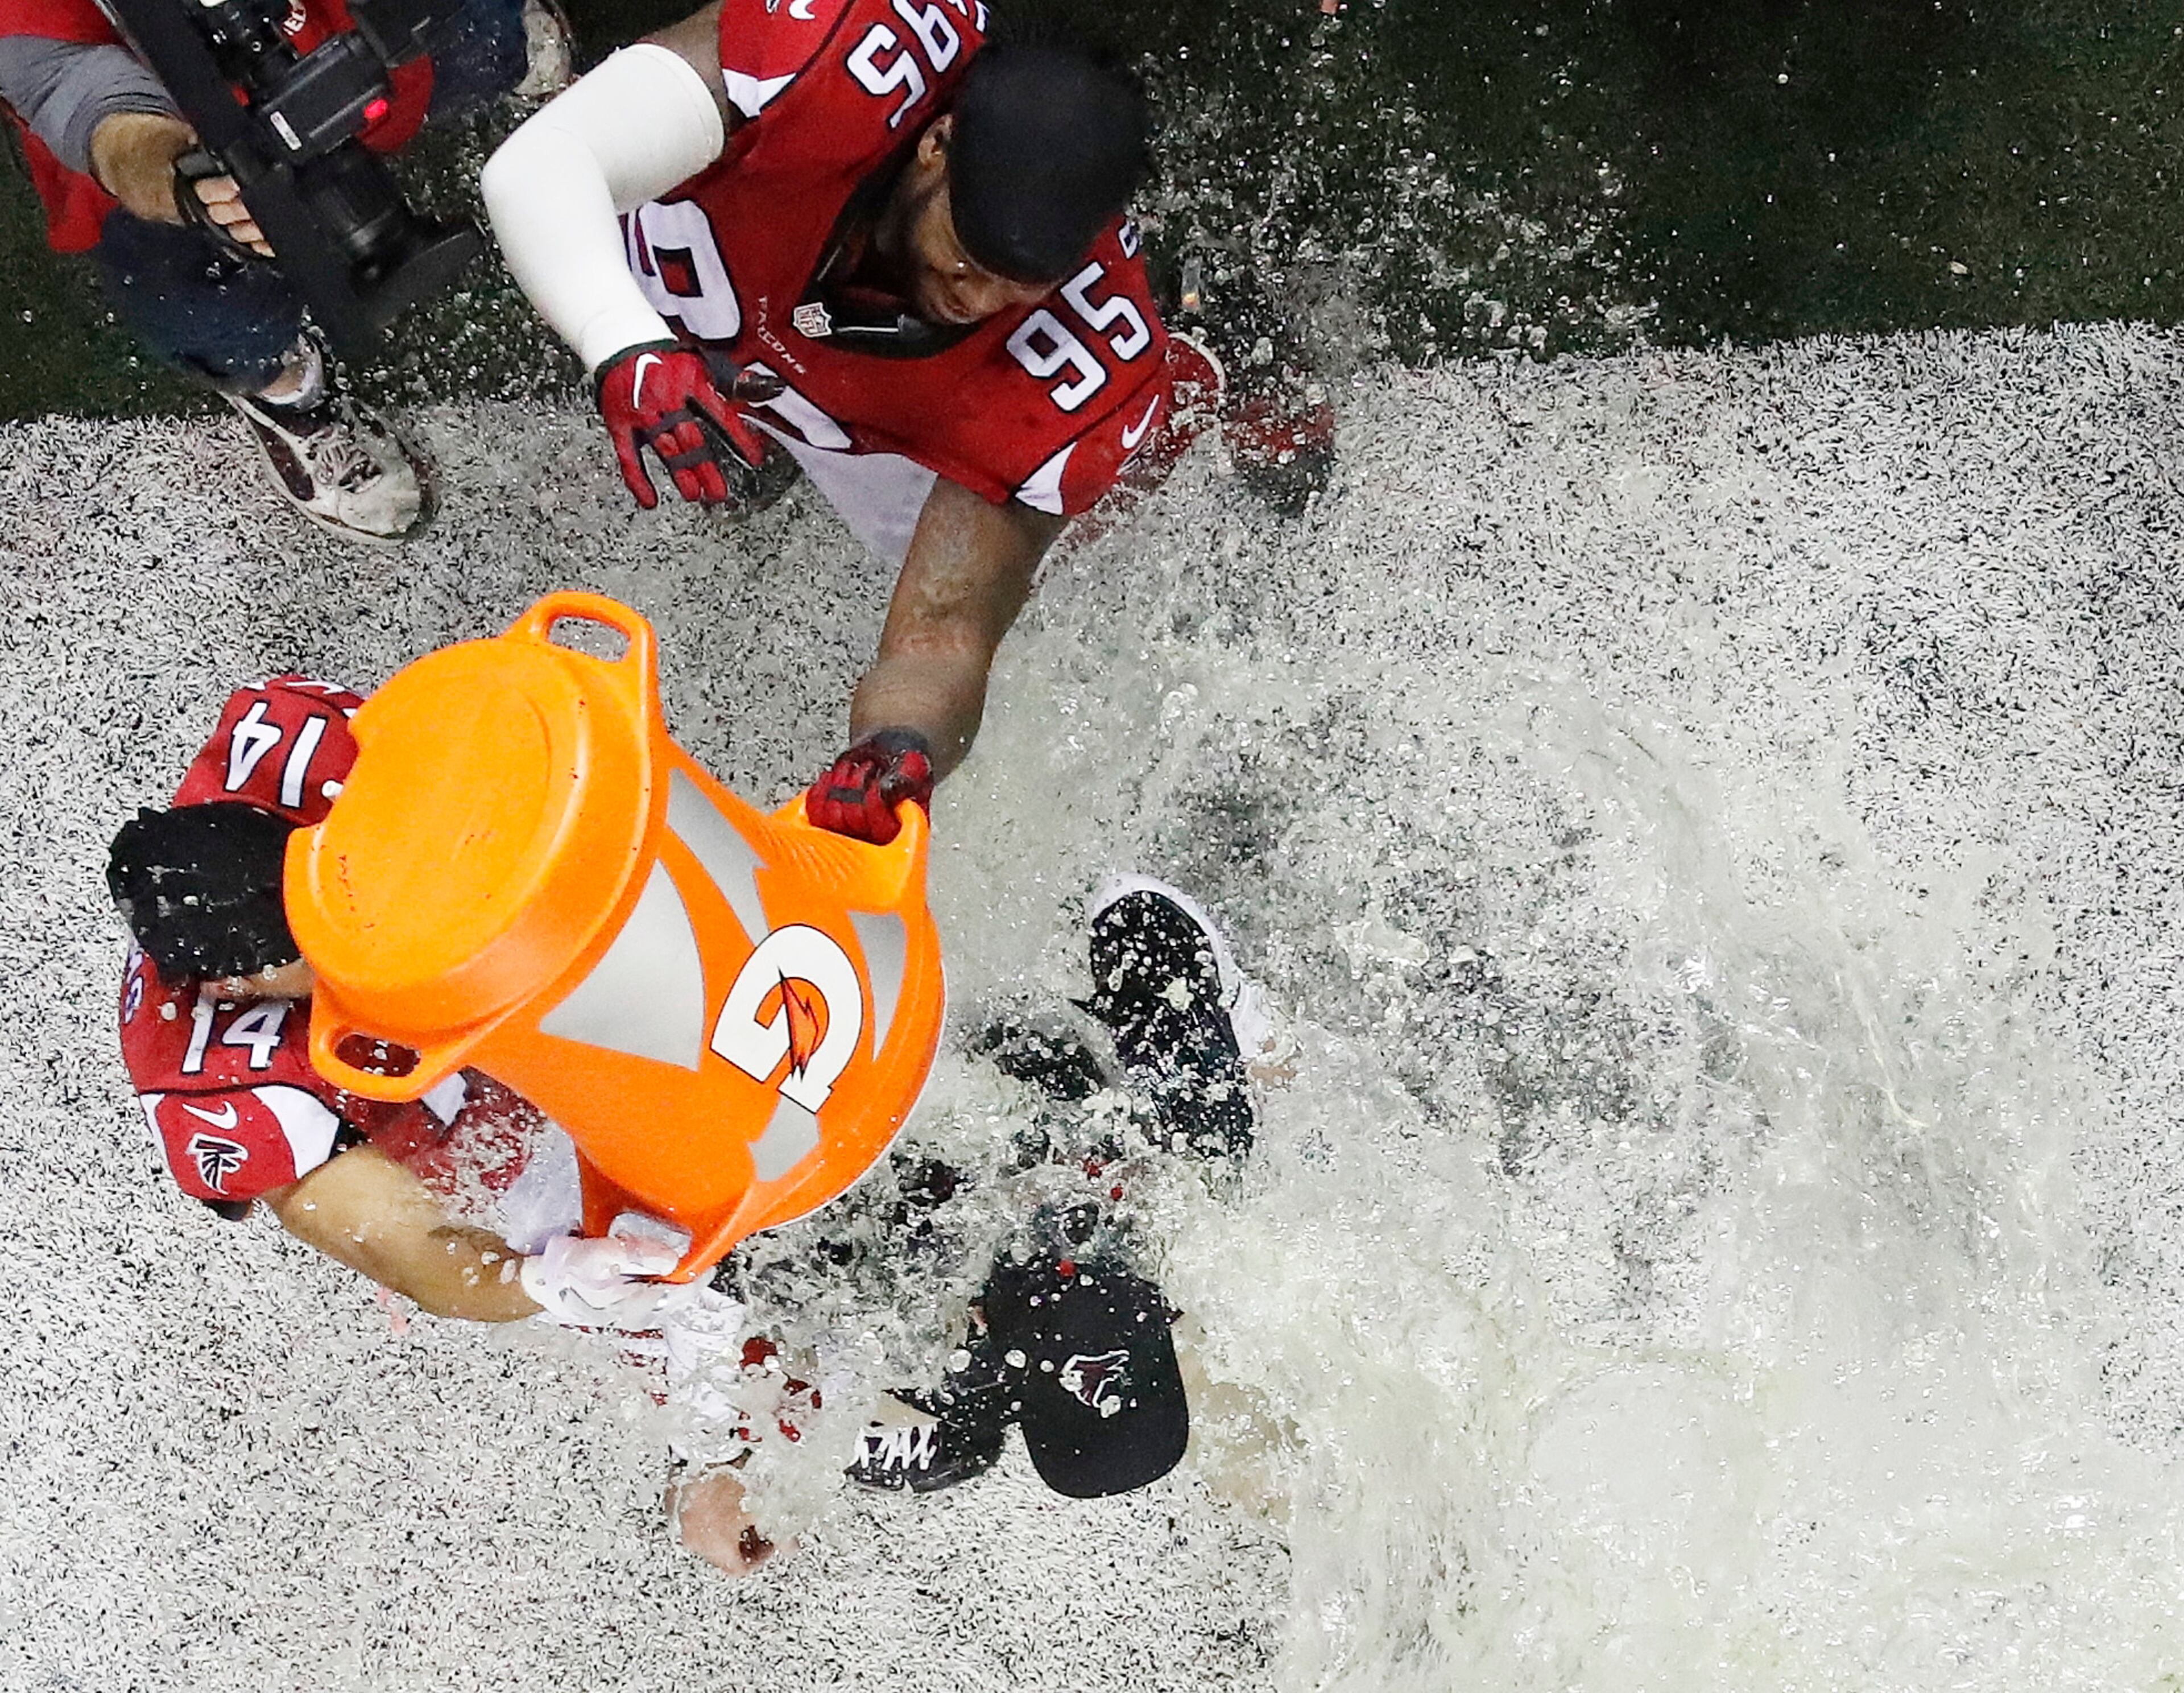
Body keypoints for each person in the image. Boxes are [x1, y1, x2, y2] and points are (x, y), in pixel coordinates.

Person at [479, 0, 1250, 846]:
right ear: (934, 146)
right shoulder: (834, 59)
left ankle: (1209, 357)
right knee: (585, 226)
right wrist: (622, 346)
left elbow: (942, 634)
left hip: (875, 420)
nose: (975, 298)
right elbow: (540, 169)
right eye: (968, 252)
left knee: (1041, 523)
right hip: (707, 258)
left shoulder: (1069, 353)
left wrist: (899, 751)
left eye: (1014, 286)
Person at [669, 873, 1269, 1572]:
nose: (1055, 1246)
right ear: (1158, 1313)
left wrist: (712, 1461)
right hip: (998, 1033)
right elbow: (1132, 904)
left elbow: (710, 1261)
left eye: (1036, 1282)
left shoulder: (922, 1344)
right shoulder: (1193, 1161)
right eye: (1082, 1266)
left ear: (990, 1336)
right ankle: (1257, 1031)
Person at [106, 673, 681, 1327]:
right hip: (485, 1152)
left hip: (509, 989)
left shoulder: (306, 739)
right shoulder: (214, 1092)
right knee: (664, 1297)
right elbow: (413, 1256)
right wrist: (545, 1279)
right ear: (233, 986)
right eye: (316, 948)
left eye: (329, 894)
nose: (351, 936)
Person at [1, 0, 570, 544]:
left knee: (484, 37)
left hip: (363, 36)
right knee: (203, 309)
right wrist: (184, 182)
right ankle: (286, 391)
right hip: (192, 131)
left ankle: (505, 48)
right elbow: (78, 92)